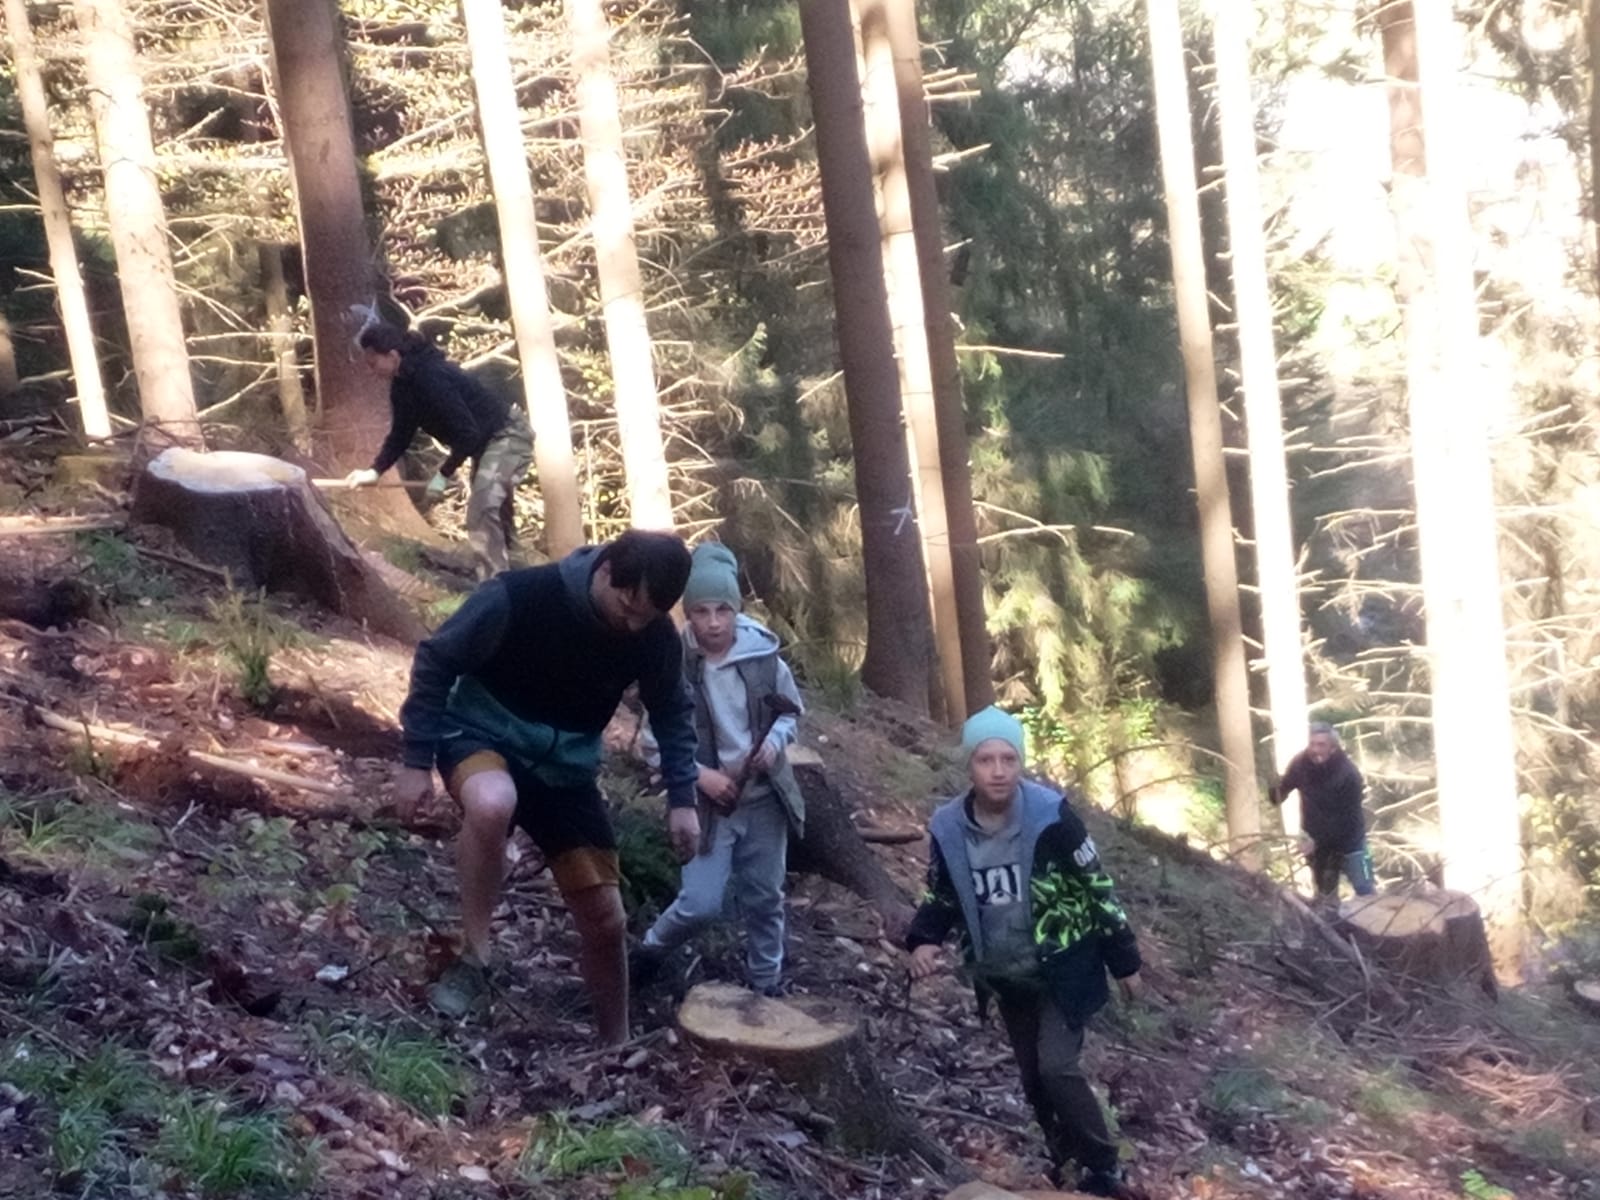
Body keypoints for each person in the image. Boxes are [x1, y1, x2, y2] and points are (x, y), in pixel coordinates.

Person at [390, 530, 702, 1045]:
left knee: (606, 918)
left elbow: (672, 712)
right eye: (627, 606)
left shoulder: (653, 636)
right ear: (605, 570)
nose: (632, 623)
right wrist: (416, 761)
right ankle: (475, 957)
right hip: (479, 734)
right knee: (494, 802)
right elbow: (436, 660)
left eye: (646, 616)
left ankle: (615, 1046)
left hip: (565, 769)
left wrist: (683, 800)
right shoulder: (518, 595)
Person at [906, 706, 1143, 1199]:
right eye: (986, 760)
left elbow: (1097, 885)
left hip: (1065, 964)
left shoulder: (1051, 816)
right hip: (1006, 971)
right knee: (1034, 1080)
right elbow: (942, 892)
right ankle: (1065, 1159)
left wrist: (1124, 959)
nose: (998, 771)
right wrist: (924, 937)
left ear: (1021, 762)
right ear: (969, 765)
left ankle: (1103, 1166)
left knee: (1058, 1067)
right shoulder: (948, 827)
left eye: (1008, 759)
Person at [630, 543, 805, 997]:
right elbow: (653, 743)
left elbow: (790, 713)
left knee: (765, 897)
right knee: (700, 902)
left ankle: (766, 983)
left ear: (736, 610)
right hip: (705, 805)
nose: (712, 622)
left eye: (722, 610)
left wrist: (772, 744)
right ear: (687, 613)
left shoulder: (764, 657)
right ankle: (648, 952)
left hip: (763, 799)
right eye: (701, 611)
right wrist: (699, 777)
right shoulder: (676, 664)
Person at [343, 323, 533, 580]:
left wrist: (443, 475)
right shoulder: (401, 386)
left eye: (373, 363)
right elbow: (401, 434)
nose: (371, 370)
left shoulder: (430, 377)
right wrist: (375, 471)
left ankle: (495, 584)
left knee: (483, 504)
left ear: (392, 355)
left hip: (507, 434)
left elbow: (468, 433)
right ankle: (517, 572)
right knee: (494, 508)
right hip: (484, 442)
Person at [1270, 721, 1375, 903]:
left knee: (1365, 890)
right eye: (1312, 744)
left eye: (1321, 745)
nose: (1315, 750)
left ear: (1333, 748)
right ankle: (1329, 918)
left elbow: (1347, 818)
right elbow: (1283, 789)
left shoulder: (1348, 774)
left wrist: (1316, 841)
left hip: (1351, 840)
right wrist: (1276, 790)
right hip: (1317, 842)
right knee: (1325, 897)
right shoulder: (1301, 764)